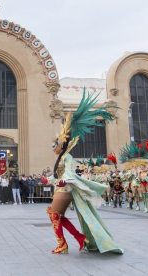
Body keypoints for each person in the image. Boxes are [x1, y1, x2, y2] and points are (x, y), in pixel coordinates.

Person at [46, 90, 123, 254]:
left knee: (54, 214)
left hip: (65, 188)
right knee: (57, 215)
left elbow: (69, 173)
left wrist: (64, 181)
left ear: (62, 144)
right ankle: (79, 238)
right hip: (61, 187)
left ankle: (64, 244)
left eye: (55, 145)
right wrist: (49, 179)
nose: (53, 148)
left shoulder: (67, 157)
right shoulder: (61, 157)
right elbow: (57, 175)